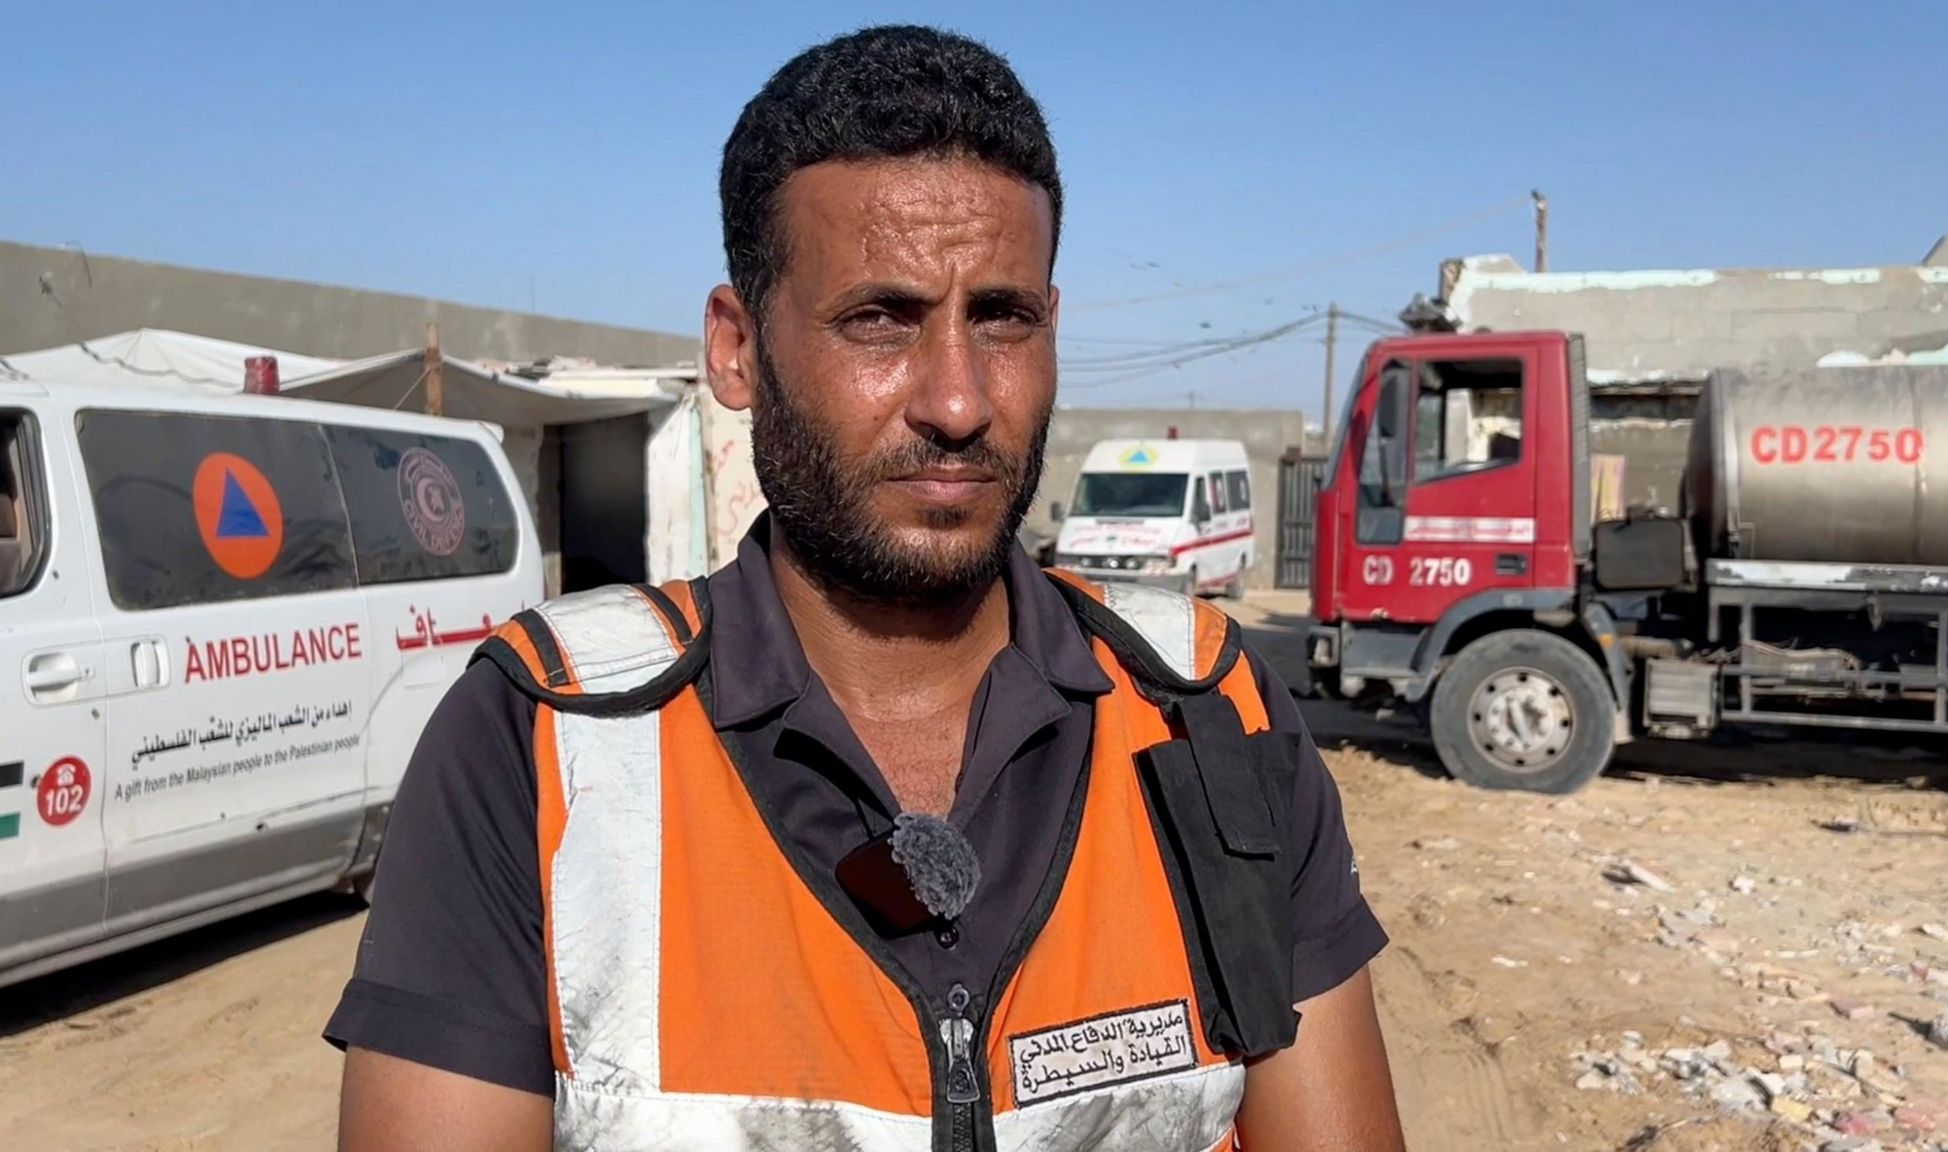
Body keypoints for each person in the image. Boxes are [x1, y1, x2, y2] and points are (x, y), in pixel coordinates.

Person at [326, 24, 1405, 1152]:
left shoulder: (1201, 704)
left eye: (1001, 319)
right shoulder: (546, 743)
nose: (955, 400)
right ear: (736, 350)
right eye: (878, 320)